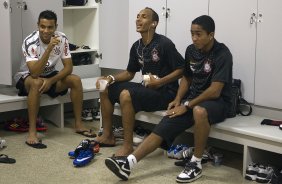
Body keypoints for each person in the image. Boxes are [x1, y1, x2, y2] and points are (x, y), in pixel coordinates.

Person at [104, 15, 233, 183]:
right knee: (168, 118)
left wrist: (187, 106)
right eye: (192, 33)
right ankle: (128, 163)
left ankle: (196, 163)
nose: (194, 38)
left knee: (200, 111)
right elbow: (187, 77)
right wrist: (179, 99)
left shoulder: (222, 53)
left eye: (199, 34)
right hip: (193, 99)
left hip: (219, 102)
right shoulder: (191, 50)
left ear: (211, 35)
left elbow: (215, 91)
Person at [95, 7, 184, 156]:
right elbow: (130, 73)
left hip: (165, 92)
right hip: (147, 88)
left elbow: (182, 69)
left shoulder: (164, 44)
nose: (138, 19)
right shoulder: (137, 46)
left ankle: (127, 146)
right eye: (137, 16)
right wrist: (110, 78)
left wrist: (160, 82)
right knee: (105, 87)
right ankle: (108, 135)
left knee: (125, 94)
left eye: (143, 17)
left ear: (153, 23)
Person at [14, 10, 96, 149]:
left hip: (49, 76)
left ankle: (79, 125)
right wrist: (49, 48)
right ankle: (32, 132)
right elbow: (34, 73)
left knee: (75, 80)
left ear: (56, 27)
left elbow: (68, 67)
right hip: (27, 76)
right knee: (36, 82)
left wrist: (51, 81)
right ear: (38, 25)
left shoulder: (62, 38)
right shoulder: (30, 41)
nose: (46, 31)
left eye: (50, 27)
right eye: (42, 26)